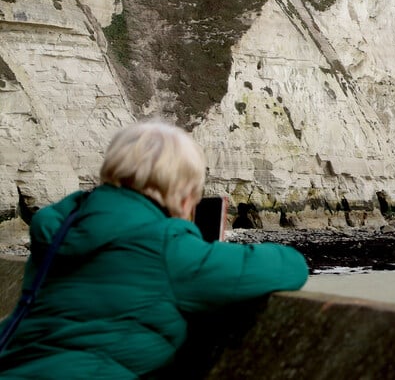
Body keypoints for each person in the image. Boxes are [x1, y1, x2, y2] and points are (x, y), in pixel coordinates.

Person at [0, 121, 309, 378]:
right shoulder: (166, 246)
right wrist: (200, 248)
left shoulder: (61, 227)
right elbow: (289, 266)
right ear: (185, 194)